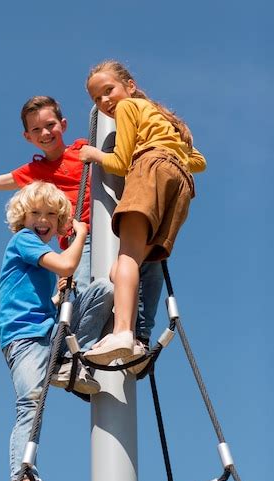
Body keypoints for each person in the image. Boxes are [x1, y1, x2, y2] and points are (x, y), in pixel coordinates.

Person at [0, 95, 163, 347]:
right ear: (27, 137)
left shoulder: (84, 150)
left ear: (63, 124)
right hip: (79, 240)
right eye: (36, 129)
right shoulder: (34, 172)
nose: (45, 132)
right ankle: (80, 352)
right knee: (90, 292)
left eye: (50, 125)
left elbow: (124, 153)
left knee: (151, 264)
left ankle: (140, 336)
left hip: (115, 228)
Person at [0, 182, 114, 481]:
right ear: (23, 218)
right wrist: (79, 234)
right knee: (29, 406)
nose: (43, 220)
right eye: (36, 214)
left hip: (47, 332)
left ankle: (69, 364)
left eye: (51, 214)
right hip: (24, 338)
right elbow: (67, 262)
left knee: (102, 291)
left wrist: (58, 294)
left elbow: (52, 286)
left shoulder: (38, 252)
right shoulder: (23, 241)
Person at [79, 60, 206, 366]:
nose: (104, 101)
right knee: (126, 268)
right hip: (180, 184)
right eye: (97, 99)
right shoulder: (163, 117)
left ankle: (123, 331)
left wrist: (94, 153)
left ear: (130, 86)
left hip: (148, 170)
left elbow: (121, 163)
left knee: (126, 258)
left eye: (108, 91)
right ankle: (135, 339)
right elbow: (199, 161)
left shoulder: (127, 109)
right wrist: (172, 155)